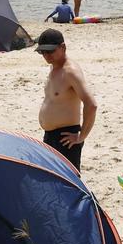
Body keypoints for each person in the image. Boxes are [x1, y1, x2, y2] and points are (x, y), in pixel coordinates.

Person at [35, 29, 97, 169]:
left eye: (50, 51)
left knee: (69, 182)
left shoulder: (70, 72)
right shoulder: (54, 67)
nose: (46, 55)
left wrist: (81, 137)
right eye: (42, 52)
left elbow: (91, 105)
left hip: (66, 137)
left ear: (63, 47)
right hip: (50, 135)